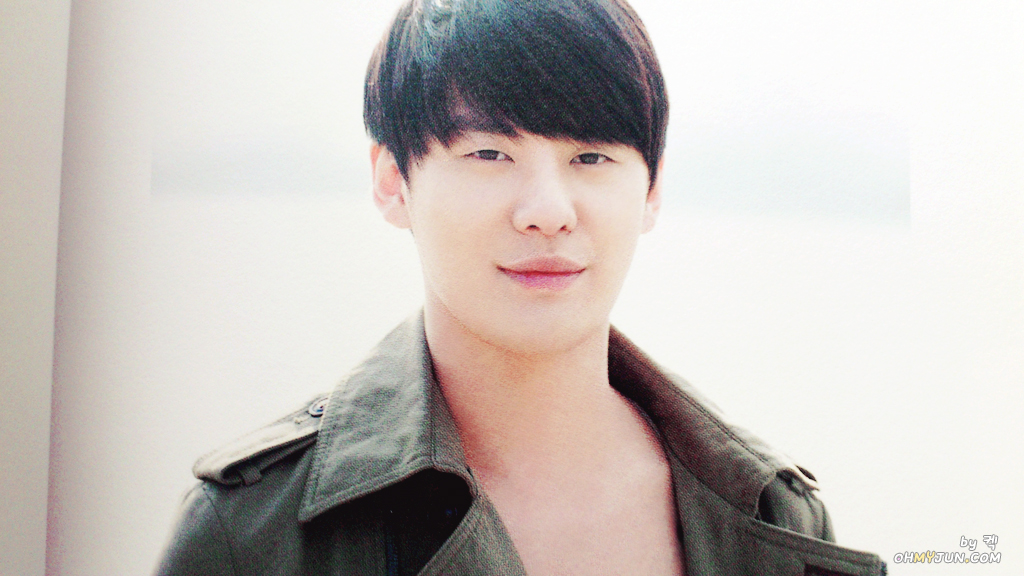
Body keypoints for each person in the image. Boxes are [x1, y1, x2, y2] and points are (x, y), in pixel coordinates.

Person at [156, 0, 885, 574]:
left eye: (591, 157)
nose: (547, 212)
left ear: (653, 189)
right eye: (489, 153)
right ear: (392, 181)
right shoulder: (253, 533)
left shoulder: (774, 518)